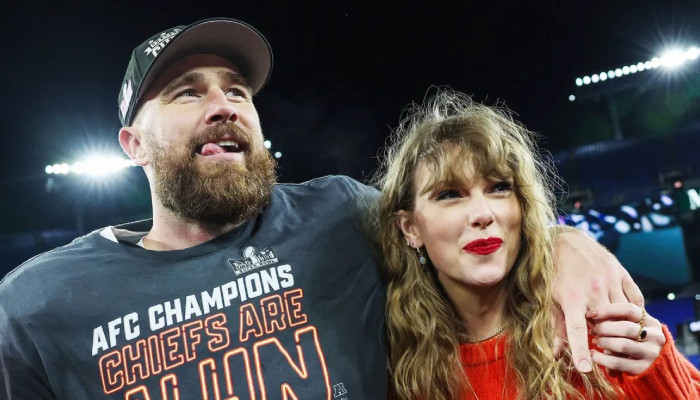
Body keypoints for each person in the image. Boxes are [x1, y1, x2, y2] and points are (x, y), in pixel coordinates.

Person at [0, 17, 642, 399]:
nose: (223, 105)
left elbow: (462, 222)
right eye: (186, 93)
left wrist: (566, 244)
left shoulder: (340, 213)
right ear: (133, 145)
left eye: (237, 90)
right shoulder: (37, 305)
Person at [372, 88, 700, 399]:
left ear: (523, 206)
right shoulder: (389, 368)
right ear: (410, 228)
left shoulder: (589, 326)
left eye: (499, 188)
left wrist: (658, 373)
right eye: (449, 194)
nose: (482, 214)